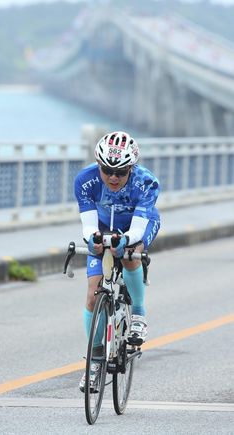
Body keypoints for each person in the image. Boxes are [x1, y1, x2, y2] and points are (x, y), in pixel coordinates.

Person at [74, 131, 160, 392]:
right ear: (98, 166)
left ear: (131, 169)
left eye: (121, 172)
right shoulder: (86, 180)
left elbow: (137, 227)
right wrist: (94, 239)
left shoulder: (146, 182)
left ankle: (138, 314)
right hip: (102, 227)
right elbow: (88, 225)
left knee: (131, 251)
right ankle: (95, 361)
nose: (113, 177)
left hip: (137, 226)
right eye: (107, 170)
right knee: (92, 295)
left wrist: (125, 240)